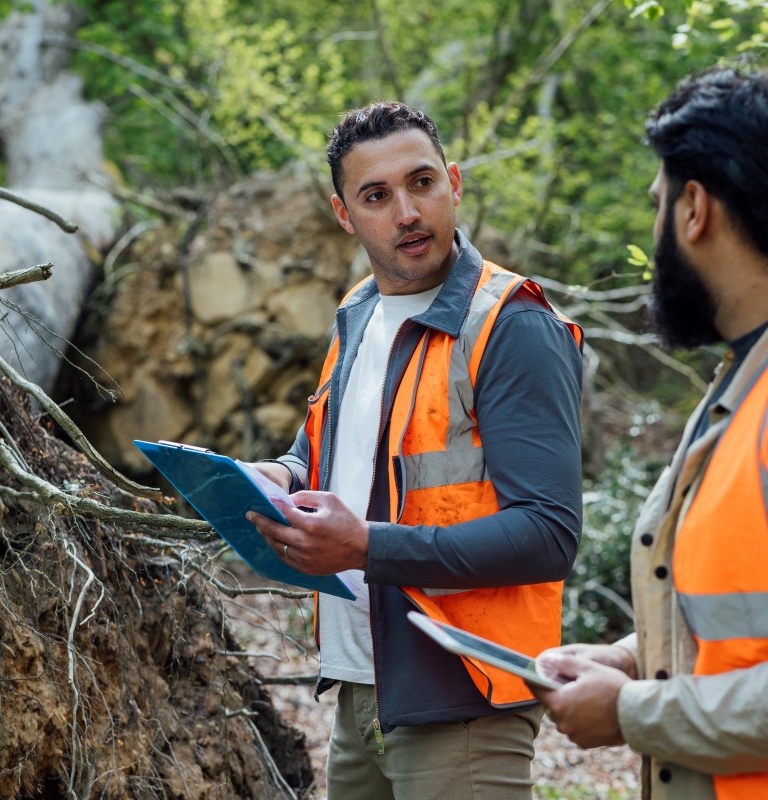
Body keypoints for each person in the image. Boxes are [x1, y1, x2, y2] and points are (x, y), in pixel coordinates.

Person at [246, 100, 584, 799]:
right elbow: (325, 451)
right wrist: (276, 475)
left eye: (422, 182)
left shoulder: (510, 325)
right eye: (376, 196)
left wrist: (366, 546)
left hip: (462, 699)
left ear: (454, 183)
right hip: (361, 692)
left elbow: (549, 534)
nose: (406, 211)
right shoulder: (360, 311)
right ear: (345, 215)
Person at [534, 66, 768, 800]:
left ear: (694, 211)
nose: (653, 232)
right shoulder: (747, 381)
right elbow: (741, 622)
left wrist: (632, 712)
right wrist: (630, 659)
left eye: (657, 206)